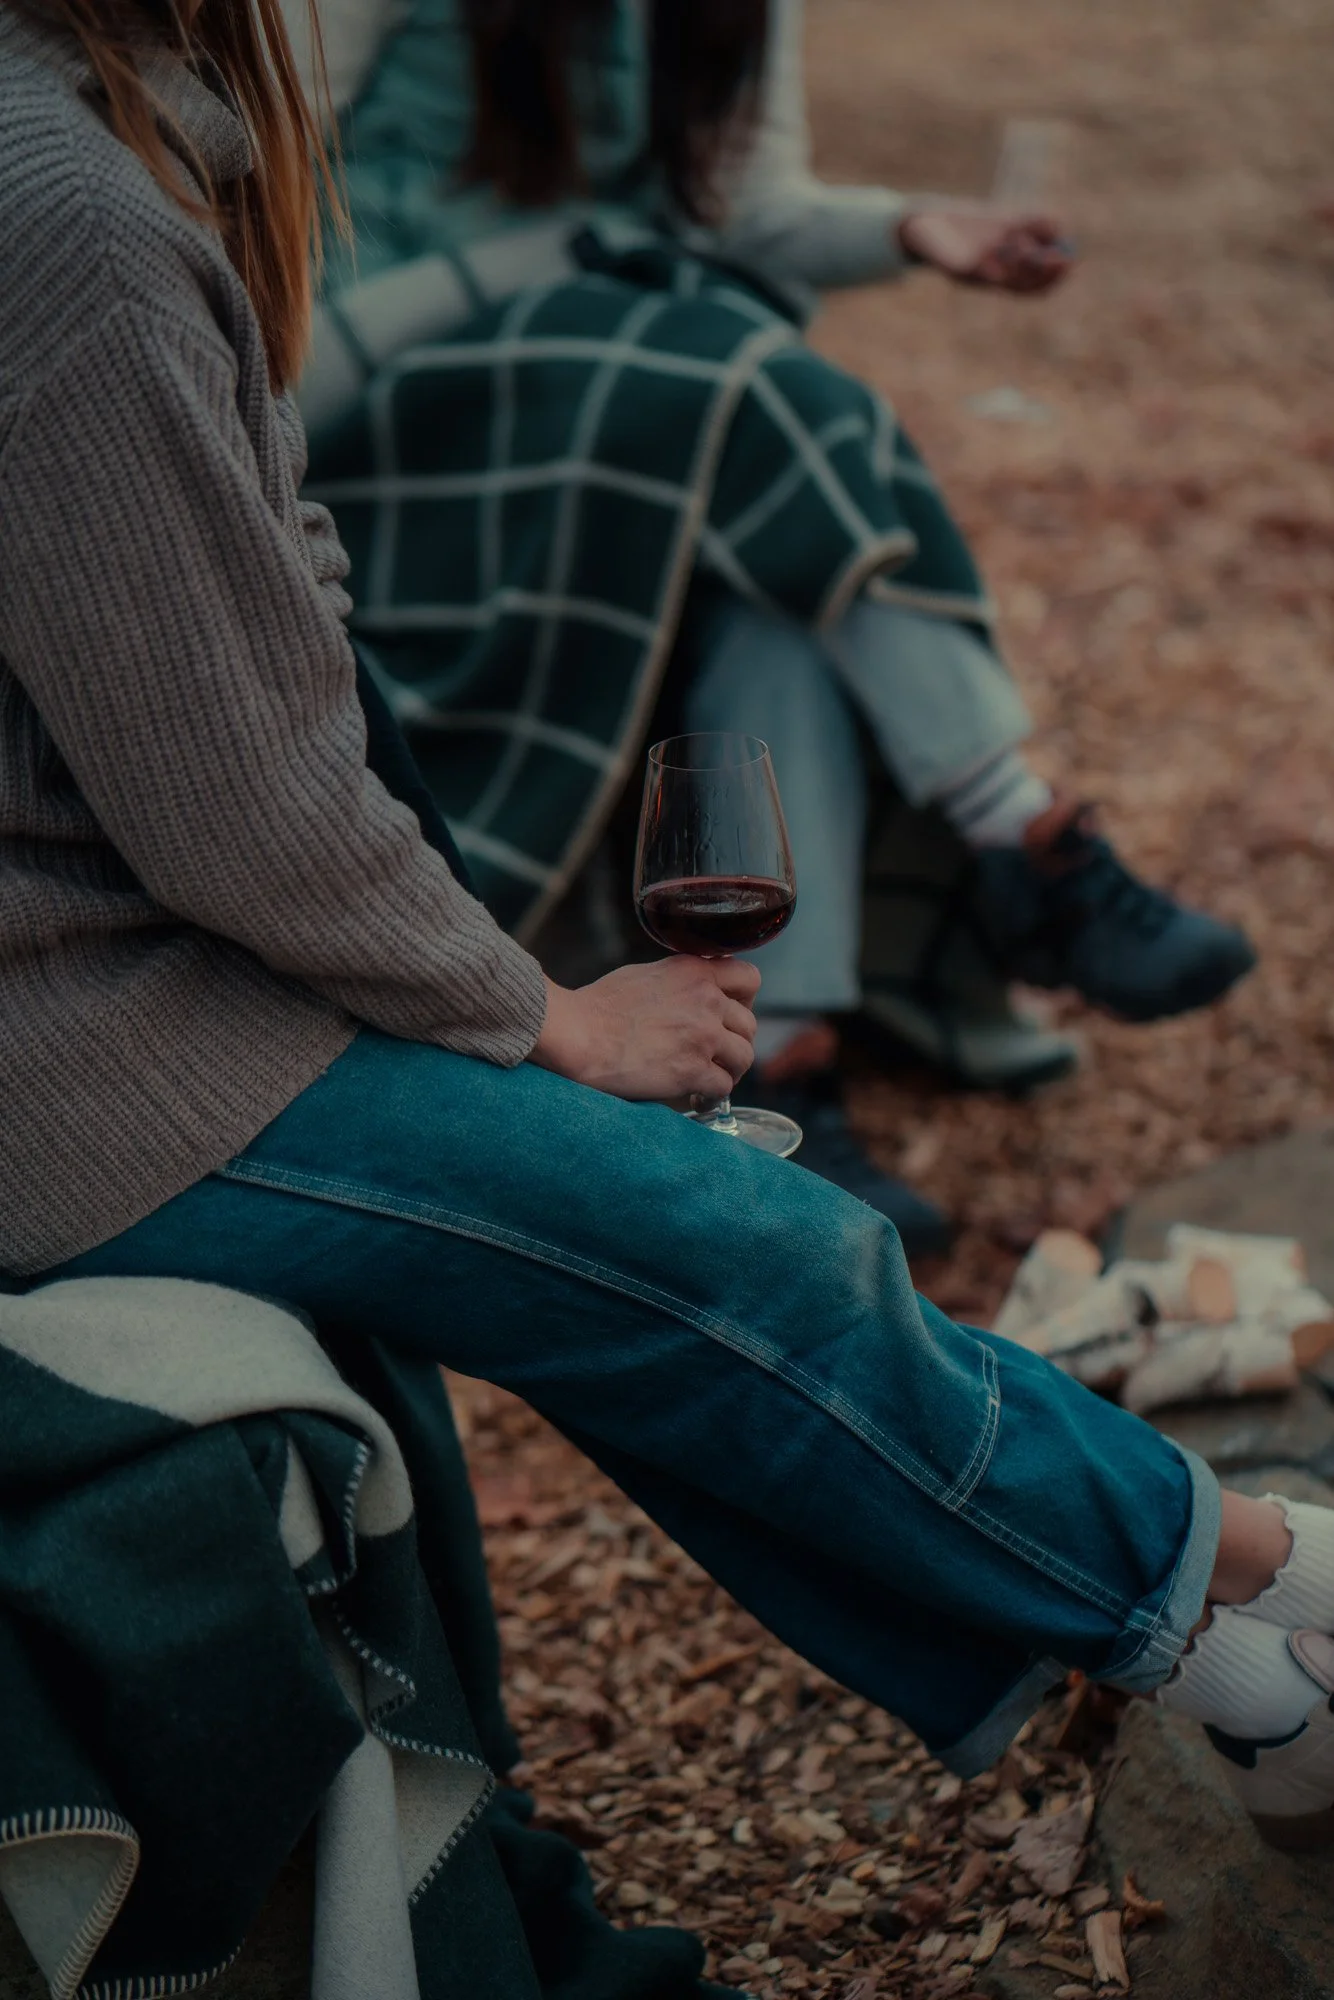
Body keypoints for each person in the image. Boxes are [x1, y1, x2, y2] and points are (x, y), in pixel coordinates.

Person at [1, 6, 1330, 1959]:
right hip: (83, 1046)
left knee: (690, 1220)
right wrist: (545, 1011)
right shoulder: (68, 216)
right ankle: (1253, 1574)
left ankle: (1237, 1652)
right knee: (715, 1236)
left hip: (129, 982)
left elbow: (242, 647)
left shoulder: (108, 159)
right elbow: (244, 799)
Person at [275, 0, 1256, 1241]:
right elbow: (262, 152)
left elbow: (740, 208)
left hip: (637, 363)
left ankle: (778, 1058)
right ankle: (1016, 826)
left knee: (762, 532)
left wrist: (915, 227)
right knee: (745, 366)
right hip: (406, 400)